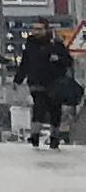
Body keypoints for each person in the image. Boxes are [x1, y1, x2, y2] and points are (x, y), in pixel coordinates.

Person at [20, 22, 78, 152]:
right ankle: (35, 136)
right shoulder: (30, 45)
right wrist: (18, 79)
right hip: (36, 83)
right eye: (34, 29)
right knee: (38, 108)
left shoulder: (56, 45)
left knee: (55, 110)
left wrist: (58, 59)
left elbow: (68, 61)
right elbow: (25, 63)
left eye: (39, 29)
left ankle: (54, 137)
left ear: (46, 30)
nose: (36, 32)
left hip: (55, 84)